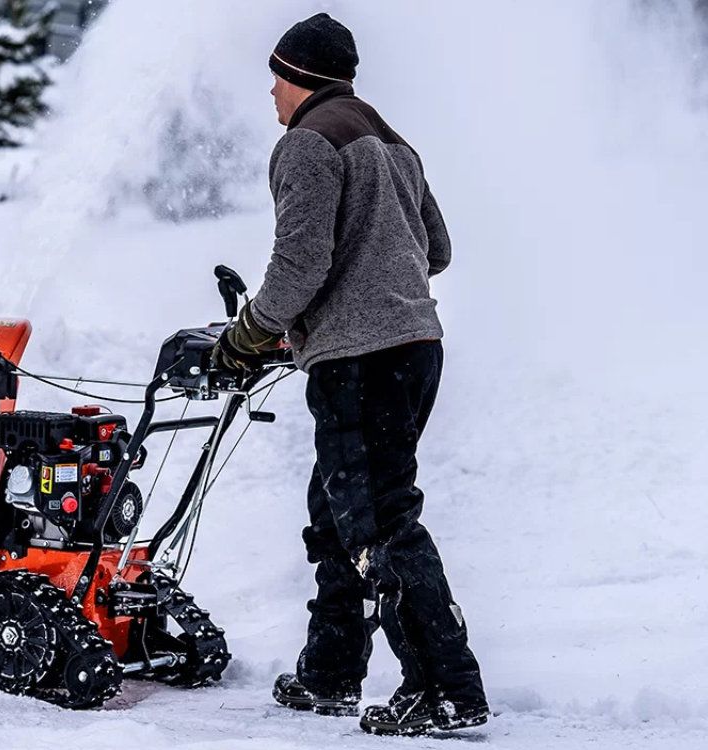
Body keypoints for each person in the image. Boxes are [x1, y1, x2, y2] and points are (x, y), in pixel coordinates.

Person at [210, 12, 489, 737]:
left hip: (364, 360)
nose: (270, 91)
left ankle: (446, 688)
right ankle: (329, 674)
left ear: (300, 74)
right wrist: (365, 293)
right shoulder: (390, 141)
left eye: (275, 75)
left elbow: (298, 266)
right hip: (415, 346)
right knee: (338, 513)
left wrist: (250, 334)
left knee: (379, 521)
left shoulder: (306, 142)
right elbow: (438, 249)